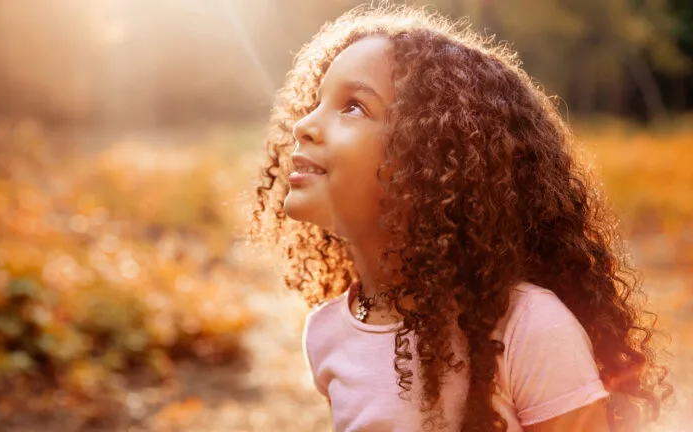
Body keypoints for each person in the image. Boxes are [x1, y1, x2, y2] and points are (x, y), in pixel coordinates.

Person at [249, 4, 673, 431]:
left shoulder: (530, 328)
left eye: (353, 106)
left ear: (429, 161)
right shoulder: (326, 333)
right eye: (316, 101)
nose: (303, 124)